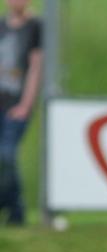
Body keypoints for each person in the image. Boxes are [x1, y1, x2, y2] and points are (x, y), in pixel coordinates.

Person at [0, 0, 41, 226]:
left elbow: (36, 67)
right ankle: (14, 210)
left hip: (16, 105)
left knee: (7, 155)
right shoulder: (1, 26)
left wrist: (26, 104)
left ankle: (14, 209)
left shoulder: (35, 27)